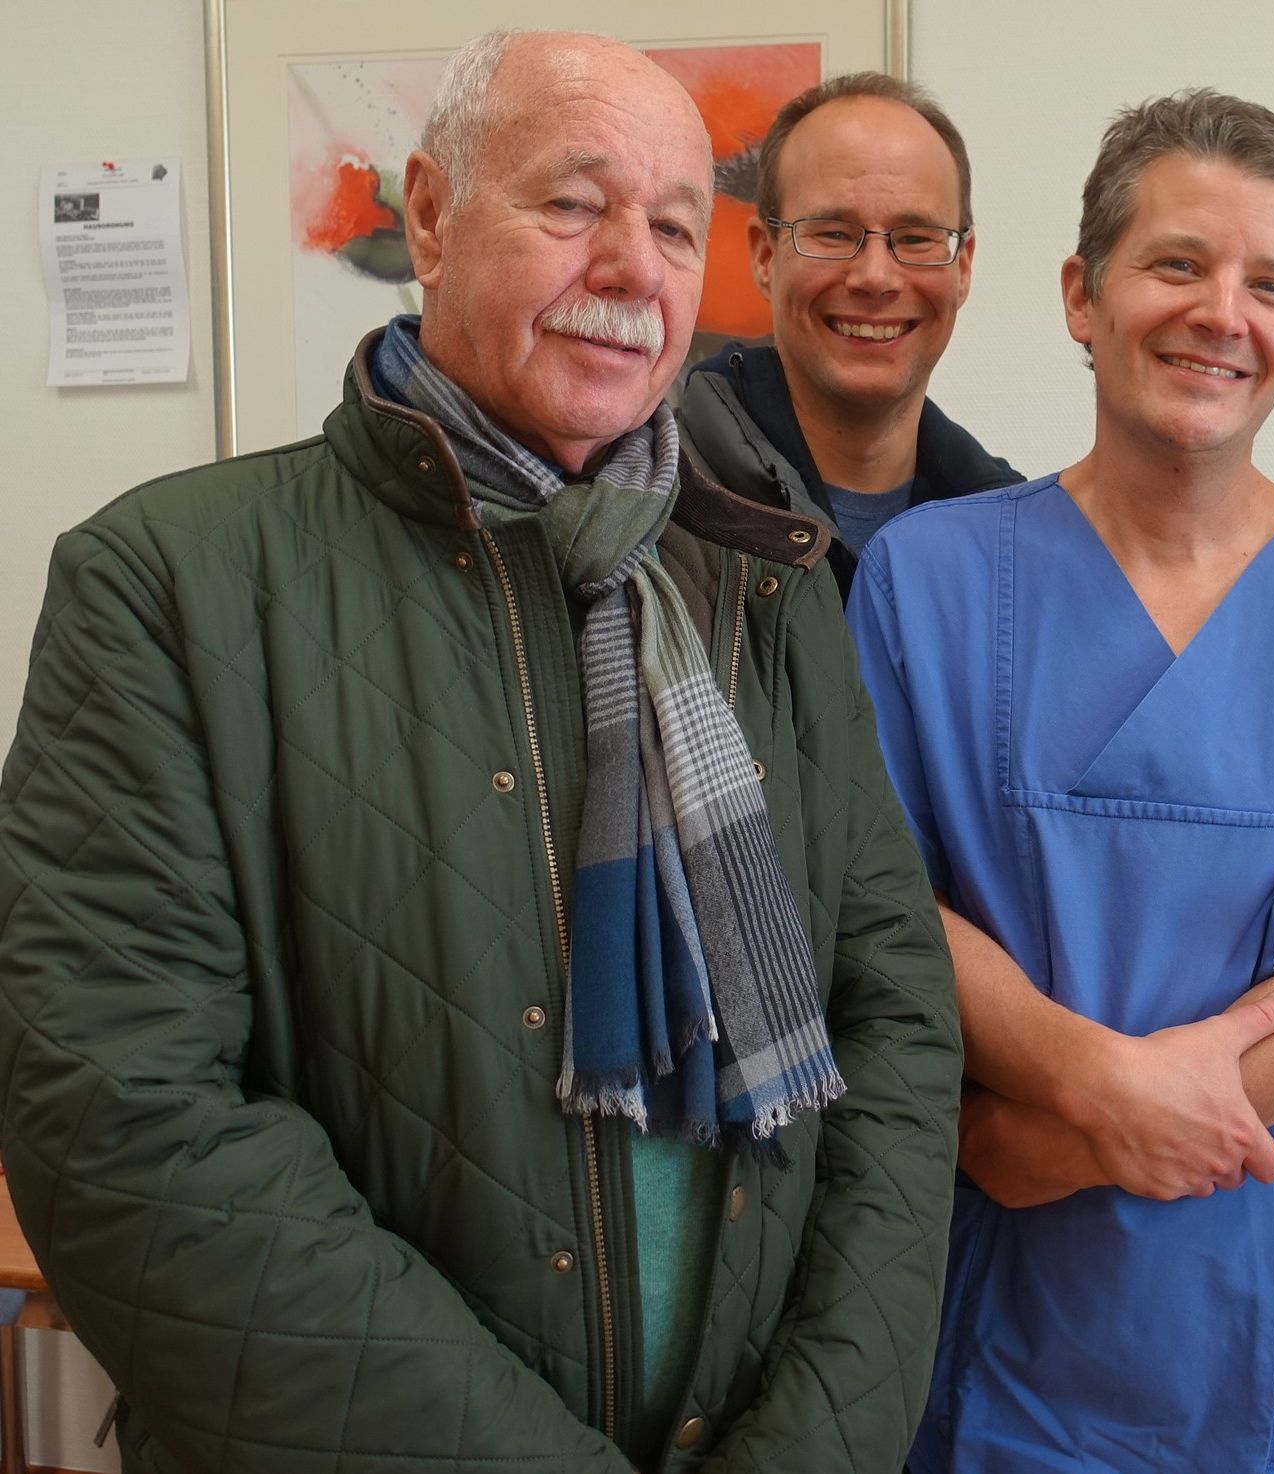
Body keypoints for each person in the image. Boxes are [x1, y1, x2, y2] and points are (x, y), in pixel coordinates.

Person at [0, 30, 959, 1474]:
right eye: (574, 204)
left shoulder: (762, 585)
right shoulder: (170, 583)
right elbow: (126, 1125)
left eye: (676, 226)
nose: (635, 266)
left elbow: (893, 1026)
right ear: (431, 217)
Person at [847, 90, 1274, 1473]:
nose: (1219, 314)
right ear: (1081, 292)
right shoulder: (928, 580)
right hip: (1014, 1277)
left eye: (1270, 287)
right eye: (1177, 264)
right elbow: (879, 904)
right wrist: (1097, 1084)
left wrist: (1082, 1137)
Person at [680, 72, 1022, 595]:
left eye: (916, 238)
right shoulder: (656, 503)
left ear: (964, 266)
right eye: (834, 234)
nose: (875, 278)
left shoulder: (1013, 537)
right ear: (765, 256)